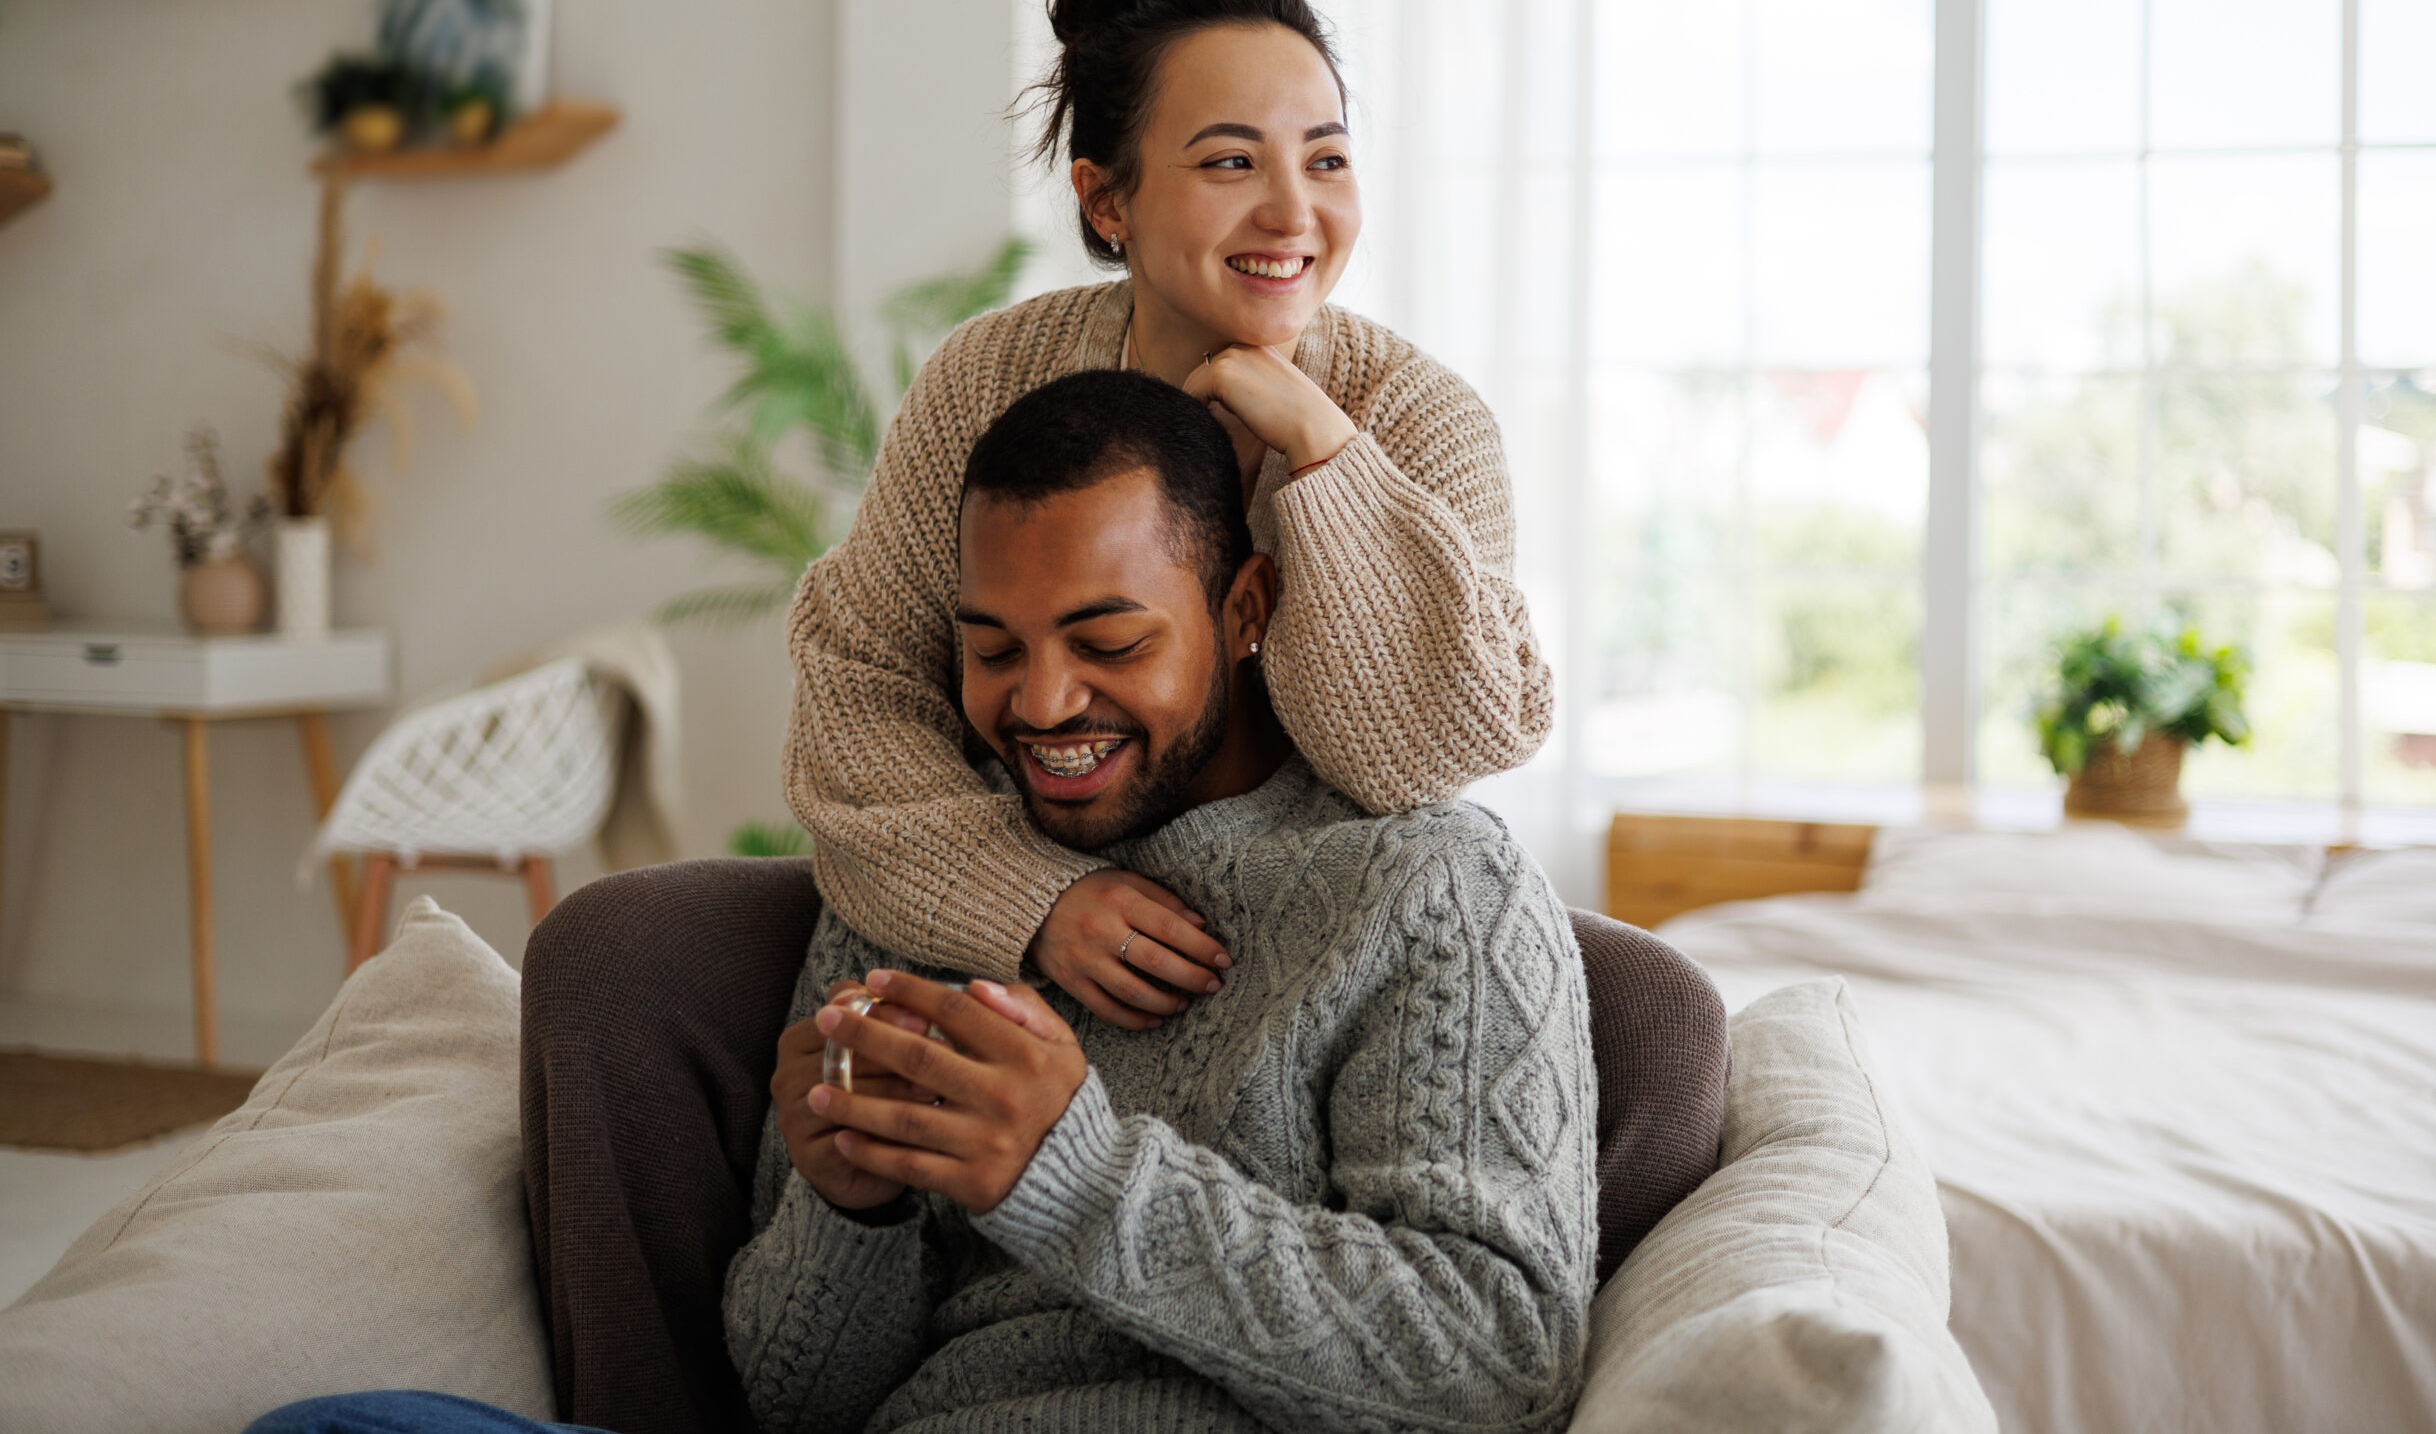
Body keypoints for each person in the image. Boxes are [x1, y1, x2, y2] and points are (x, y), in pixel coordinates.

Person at [251, 371, 1596, 1434]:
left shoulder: (1424, 889)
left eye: (1110, 639)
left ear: (1243, 605)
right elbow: (794, 1397)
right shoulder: (928, 880)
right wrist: (849, 1210)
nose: (1043, 704)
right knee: (328, 1427)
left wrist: (1075, 1175)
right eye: (993, 647)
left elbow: (1500, 1364)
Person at [788, 0, 1554, 1033]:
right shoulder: (986, 380)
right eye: (1230, 161)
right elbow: (857, 699)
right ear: (1107, 198)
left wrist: (1323, 453)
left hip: (1309, 970)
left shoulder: (1420, 421)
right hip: (1020, 948)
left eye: (1326, 158)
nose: (1294, 211)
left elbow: (1419, 755)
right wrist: (1037, 901)